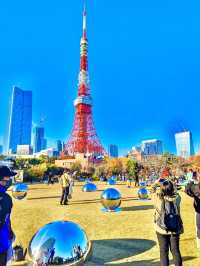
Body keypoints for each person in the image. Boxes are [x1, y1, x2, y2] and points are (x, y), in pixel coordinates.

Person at [152, 180, 183, 266]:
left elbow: (152, 190)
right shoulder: (177, 198)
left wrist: (157, 182)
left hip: (161, 228)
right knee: (175, 251)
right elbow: (176, 191)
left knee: (163, 251)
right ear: (172, 189)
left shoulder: (157, 198)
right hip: (175, 228)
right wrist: (172, 184)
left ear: (162, 190)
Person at [0, 166, 17, 266]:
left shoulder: (6, 197)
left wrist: (10, 230)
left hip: (4, 241)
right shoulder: (5, 199)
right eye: (7, 177)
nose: (9, 180)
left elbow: (7, 218)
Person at [185, 176, 200, 248]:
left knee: (199, 228)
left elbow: (187, 190)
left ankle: (199, 243)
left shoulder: (196, 188)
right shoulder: (196, 187)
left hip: (198, 211)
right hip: (198, 210)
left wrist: (191, 182)